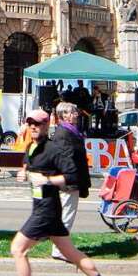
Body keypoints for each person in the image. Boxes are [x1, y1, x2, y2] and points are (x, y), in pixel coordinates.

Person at [0, 108, 119, 276]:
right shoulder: (31, 146)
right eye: (31, 123)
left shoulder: (55, 149)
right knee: (72, 254)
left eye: (38, 123)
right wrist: (24, 173)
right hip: (43, 208)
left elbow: (72, 175)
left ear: (47, 125)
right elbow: (30, 167)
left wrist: (47, 181)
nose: (34, 127)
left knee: (18, 248)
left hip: (47, 209)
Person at [49, 102, 90, 262]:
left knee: (64, 215)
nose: (76, 114)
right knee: (66, 215)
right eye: (73, 112)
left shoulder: (71, 131)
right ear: (64, 115)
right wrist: (71, 178)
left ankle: (60, 247)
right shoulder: (64, 133)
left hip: (71, 181)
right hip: (68, 183)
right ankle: (60, 249)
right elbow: (66, 159)